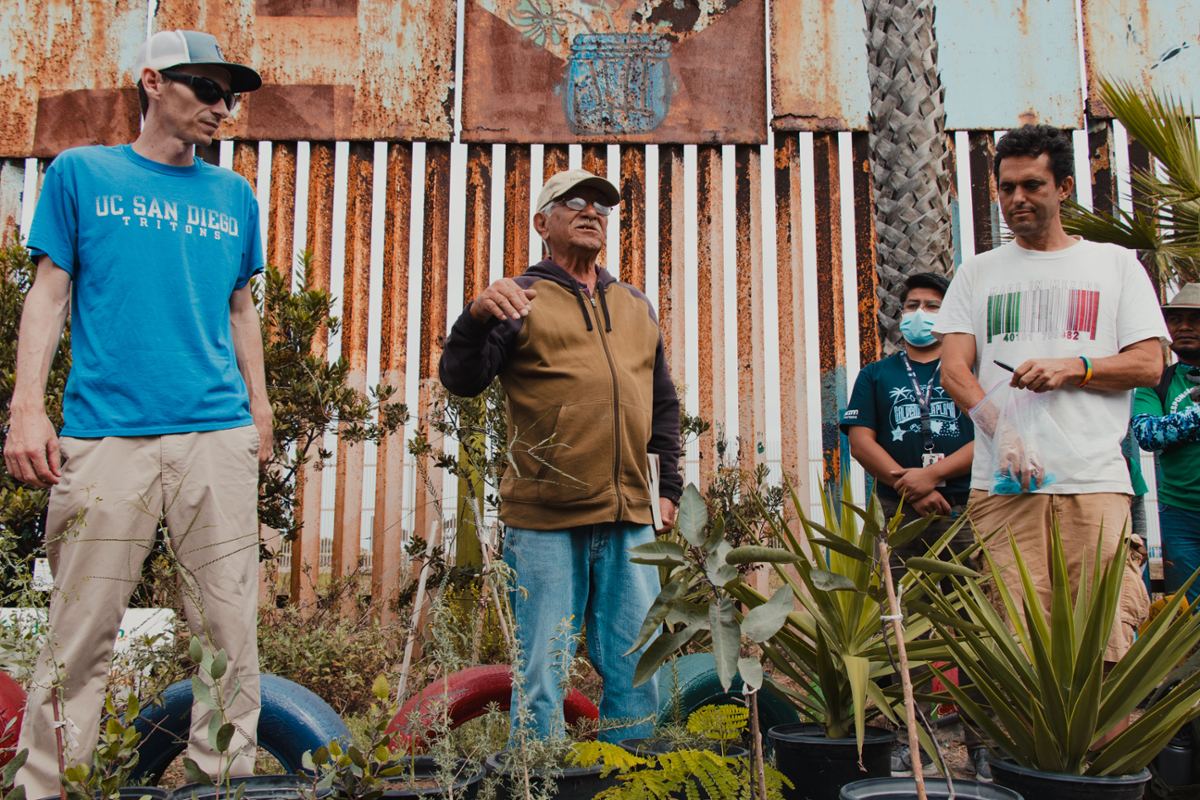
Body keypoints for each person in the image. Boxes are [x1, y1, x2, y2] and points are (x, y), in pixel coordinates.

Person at [5, 30, 269, 795]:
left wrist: (259, 408)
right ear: (153, 81)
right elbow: (49, 293)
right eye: (207, 90)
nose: (223, 107)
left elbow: (240, 306)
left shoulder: (234, 196)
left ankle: (221, 784)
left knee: (228, 634)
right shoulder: (83, 174)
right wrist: (27, 408)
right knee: (80, 635)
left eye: (232, 95)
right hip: (105, 436)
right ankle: (49, 789)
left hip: (215, 435)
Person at [439, 169, 683, 742]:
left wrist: (666, 490)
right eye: (573, 200)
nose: (591, 210)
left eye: (601, 203)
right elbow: (462, 378)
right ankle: (541, 776)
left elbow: (662, 404)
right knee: (542, 672)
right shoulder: (519, 299)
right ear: (541, 222)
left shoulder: (635, 306)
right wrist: (475, 321)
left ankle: (631, 778)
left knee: (635, 667)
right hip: (546, 519)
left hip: (629, 518)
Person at [935, 124, 1162, 668]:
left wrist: (1075, 368)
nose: (1017, 199)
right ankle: (1026, 756)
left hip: (1095, 482)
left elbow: (1149, 364)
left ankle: (1107, 753)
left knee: (1104, 643)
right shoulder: (978, 272)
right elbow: (954, 372)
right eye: (1007, 187)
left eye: (1032, 185)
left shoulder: (1115, 265)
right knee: (1014, 645)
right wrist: (1003, 430)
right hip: (1006, 485)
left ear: (1063, 187)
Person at [841, 272, 987, 778]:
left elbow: (989, 431)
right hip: (900, 516)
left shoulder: (970, 370)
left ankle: (982, 742)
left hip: (966, 513)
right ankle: (913, 740)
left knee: (974, 625)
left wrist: (935, 477)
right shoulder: (877, 375)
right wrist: (912, 487)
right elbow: (861, 441)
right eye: (912, 304)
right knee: (907, 625)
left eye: (931, 305)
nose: (919, 313)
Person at [1132, 283, 1200, 606]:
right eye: (1176, 320)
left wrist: (1181, 424)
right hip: (1180, 516)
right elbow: (1147, 433)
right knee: (1191, 613)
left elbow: (1164, 430)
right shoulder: (1157, 382)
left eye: (1195, 319)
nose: (1184, 327)